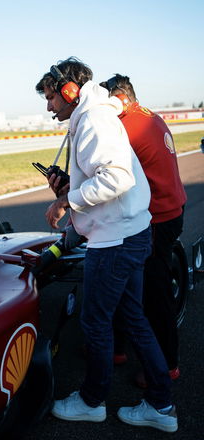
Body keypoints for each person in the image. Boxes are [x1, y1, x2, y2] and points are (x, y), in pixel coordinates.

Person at [36, 57, 178, 432]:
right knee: (133, 318)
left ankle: (91, 401)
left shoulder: (94, 120)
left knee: (96, 322)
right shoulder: (95, 116)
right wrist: (70, 187)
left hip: (114, 241)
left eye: (51, 97)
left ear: (69, 92)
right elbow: (104, 177)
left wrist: (67, 201)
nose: (49, 106)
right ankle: (161, 406)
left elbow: (117, 179)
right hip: (130, 233)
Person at [99, 75, 187, 386]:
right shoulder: (149, 115)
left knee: (153, 294)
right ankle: (119, 348)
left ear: (119, 100)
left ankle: (166, 365)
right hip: (169, 209)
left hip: (157, 218)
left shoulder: (126, 126)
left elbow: (108, 176)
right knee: (125, 281)